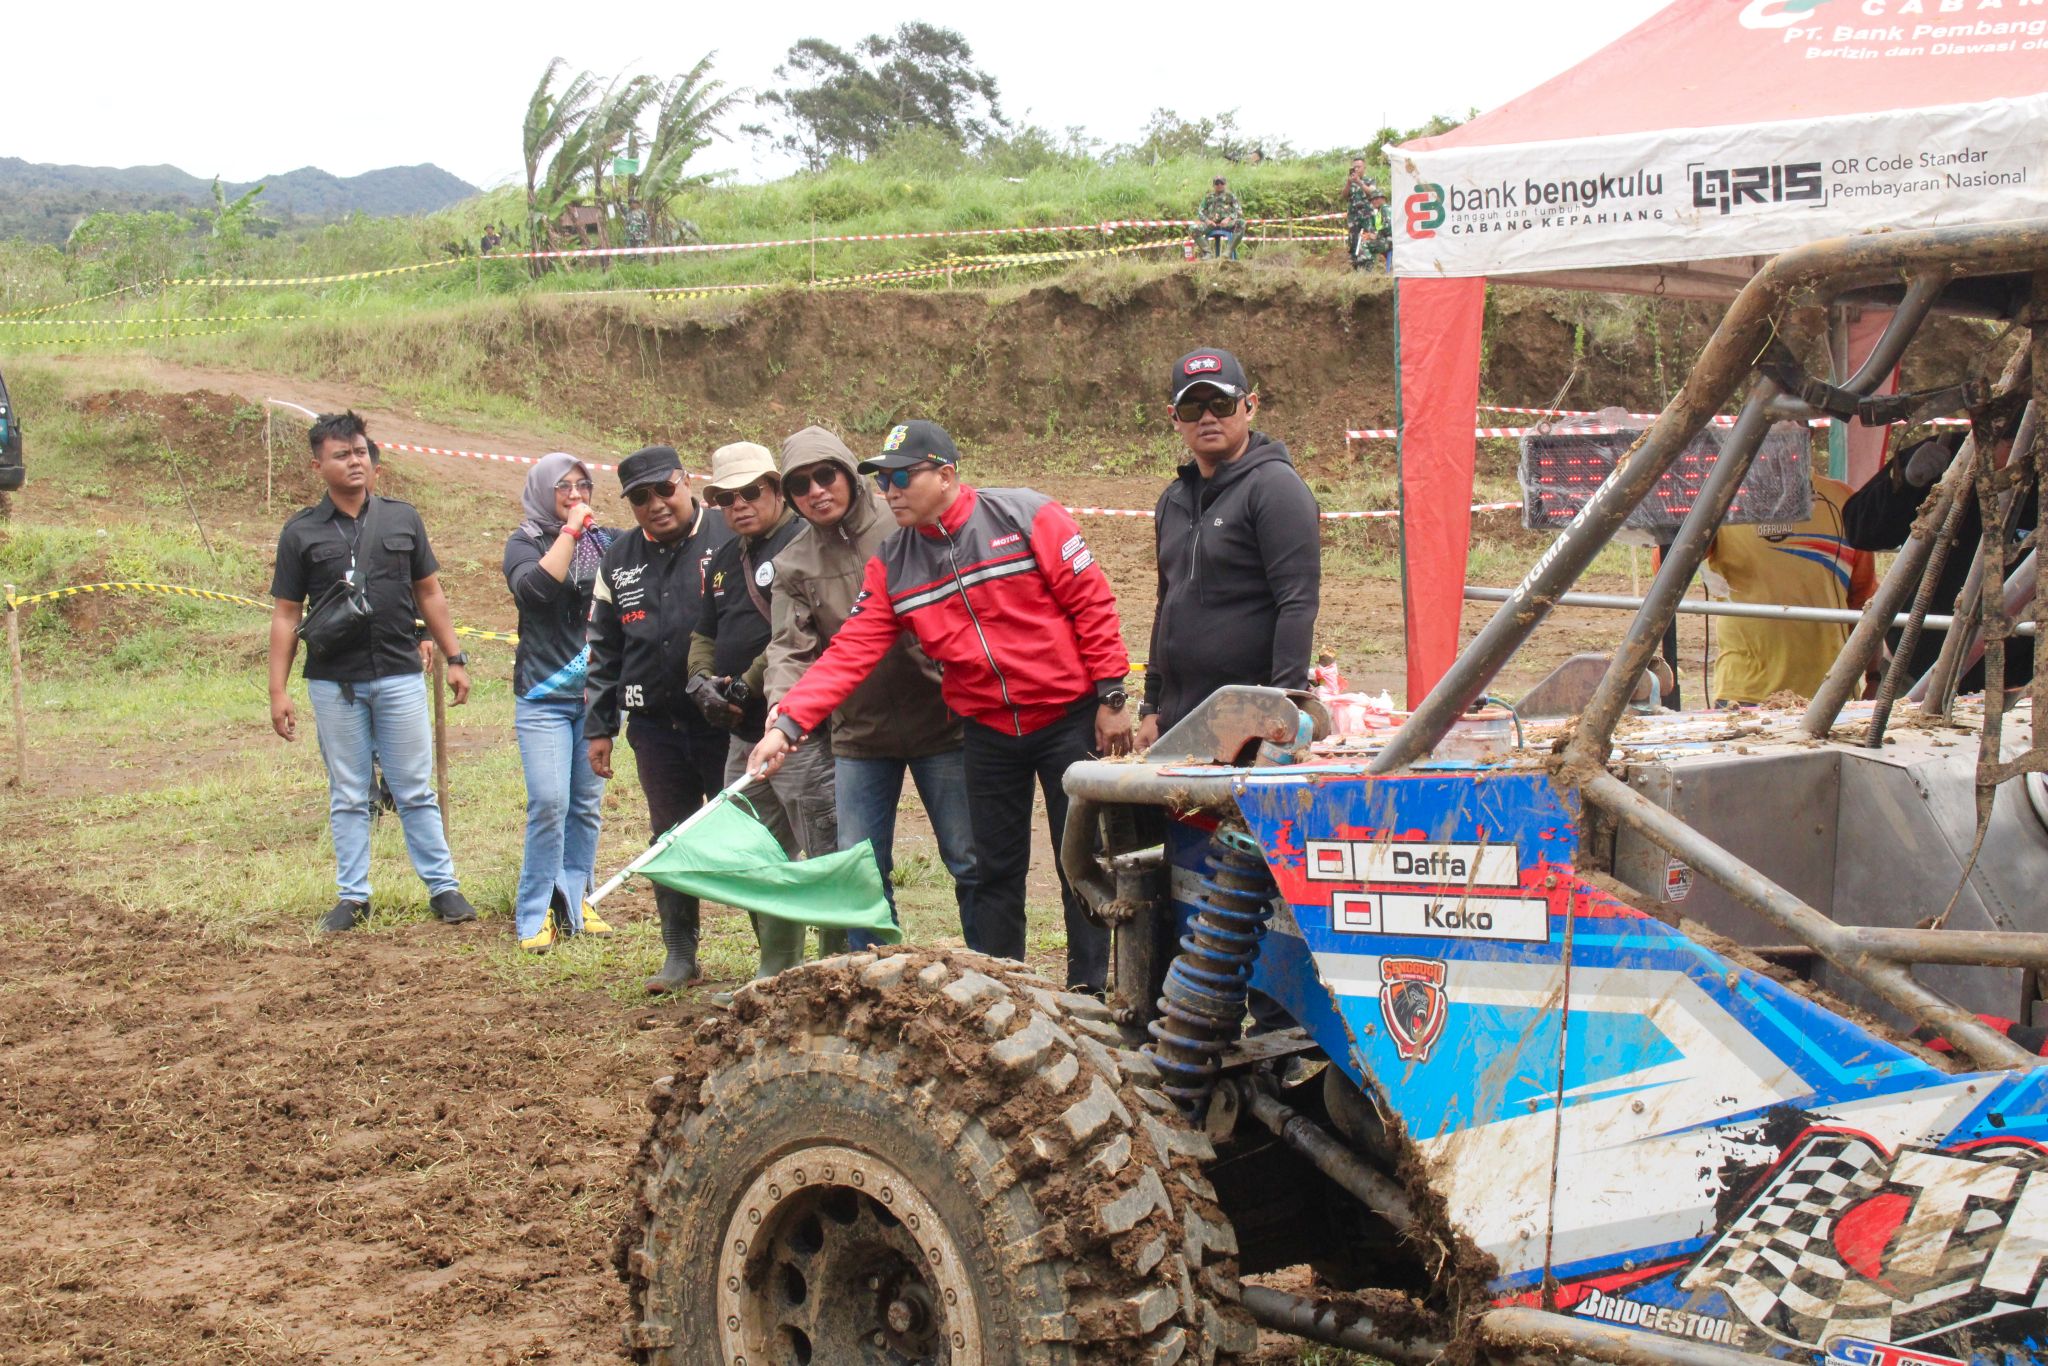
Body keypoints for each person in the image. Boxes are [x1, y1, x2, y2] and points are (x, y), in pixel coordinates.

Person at [749, 421, 1132, 994]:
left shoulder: (1027, 516)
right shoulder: (893, 562)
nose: (890, 492)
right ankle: (1007, 992)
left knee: (1078, 860)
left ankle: (1090, 989)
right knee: (995, 871)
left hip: (1066, 718)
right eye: (883, 481)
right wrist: (789, 723)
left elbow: (1092, 602)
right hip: (984, 730)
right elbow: (849, 651)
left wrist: (1112, 695)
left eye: (902, 477)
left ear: (946, 474)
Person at [765, 426, 981, 950]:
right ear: (790, 496)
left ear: (847, 474)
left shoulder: (904, 520)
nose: (817, 491)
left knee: (969, 858)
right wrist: (781, 712)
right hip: (859, 736)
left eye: (826, 475)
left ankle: (992, 966)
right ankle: (871, 979)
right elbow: (788, 650)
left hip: (943, 723)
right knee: (861, 871)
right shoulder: (794, 563)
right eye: (801, 485)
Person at [267, 410, 478, 932]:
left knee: (414, 787)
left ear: (373, 460)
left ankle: (443, 888)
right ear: (319, 465)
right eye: (341, 454)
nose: (354, 461)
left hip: (401, 674)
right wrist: (277, 691)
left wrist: (454, 657)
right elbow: (286, 614)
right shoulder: (301, 532)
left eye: (360, 451)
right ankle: (353, 897)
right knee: (349, 792)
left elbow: (428, 592)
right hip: (332, 682)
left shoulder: (403, 519)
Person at [586, 446, 733, 993]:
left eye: (664, 490)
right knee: (667, 838)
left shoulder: (727, 535)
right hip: (654, 727)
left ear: (685, 481)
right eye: (640, 498)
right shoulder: (617, 557)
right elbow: (603, 647)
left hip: (726, 722)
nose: (656, 505)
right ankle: (679, 954)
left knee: (750, 835)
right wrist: (599, 727)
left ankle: (774, 954)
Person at [1139, 349, 1322, 745]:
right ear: (1174, 418)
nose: (1208, 417)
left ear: (1249, 406)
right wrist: (1151, 707)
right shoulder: (1173, 500)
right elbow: (1165, 603)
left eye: (1221, 403)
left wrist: (1279, 711)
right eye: (1192, 408)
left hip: (1247, 726)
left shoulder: (1275, 489)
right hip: (1178, 721)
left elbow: (1297, 604)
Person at [687, 442, 813, 978]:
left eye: (751, 492)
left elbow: (796, 636)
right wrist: (700, 684)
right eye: (726, 498)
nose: (739, 505)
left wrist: (742, 686)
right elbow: (704, 631)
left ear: (776, 489)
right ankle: (776, 973)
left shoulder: (806, 541)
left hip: (802, 732)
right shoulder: (723, 555)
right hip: (744, 736)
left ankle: (837, 971)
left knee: (823, 850)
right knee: (756, 853)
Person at [503, 453, 616, 952]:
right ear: (542, 491)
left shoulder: (609, 542)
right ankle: (535, 912)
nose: (576, 495)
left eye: (583, 486)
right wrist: (570, 532)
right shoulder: (524, 542)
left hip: (595, 696)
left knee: (587, 805)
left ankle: (576, 898)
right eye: (564, 487)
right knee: (550, 802)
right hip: (543, 697)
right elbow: (536, 592)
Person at [1843, 432, 2037, 693]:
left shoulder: (2039, 479)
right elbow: (1860, 528)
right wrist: (1905, 485)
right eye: (2007, 443)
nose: (2011, 458)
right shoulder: (1946, 452)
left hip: (2019, 682)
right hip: (1915, 672)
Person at [1702, 474, 1875, 705]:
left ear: (1810, 435)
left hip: (1830, 692)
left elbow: (1865, 602)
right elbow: (1668, 565)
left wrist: (1874, 677)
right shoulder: (1720, 498)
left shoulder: (1843, 500)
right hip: (1745, 691)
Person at [1199, 176, 1245, 261]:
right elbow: (1200, 212)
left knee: (1241, 223)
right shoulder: (1208, 197)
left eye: (1221, 183)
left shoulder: (1230, 196)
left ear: (1225, 184)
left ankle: (1228, 252)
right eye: (1217, 183)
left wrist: (1229, 218)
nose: (1219, 185)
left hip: (1227, 224)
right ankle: (1208, 253)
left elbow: (1239, 211)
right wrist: (1207, 220)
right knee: (1193, 228)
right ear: (1213, 185)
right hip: (1211, 224)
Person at [1345, 161, 1377, 269]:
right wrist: (1349, 183)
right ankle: (1355, 264)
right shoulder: (1351, 182)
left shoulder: (1370, 180)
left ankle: (1369, 264)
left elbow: (1371, 192)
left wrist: (1359, 182)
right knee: (1353, 239)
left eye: (1358, 167)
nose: (1356, 169)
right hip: (1354, 216)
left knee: (1368, 237)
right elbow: (1343, 196)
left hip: (1367, 215)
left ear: (1364, 168)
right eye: (1354, 167)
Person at [1364, 189, 1393, 272]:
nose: (1374, 201)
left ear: (1383, 199)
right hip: (1390, 240)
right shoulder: (1382, 210)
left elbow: (1388, 227)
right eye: (1372, 200)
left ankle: (1368, 271)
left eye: (1376, 199)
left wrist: (1376, 236)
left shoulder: (1385, 209)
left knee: (1364, 244)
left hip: (1390, 241)